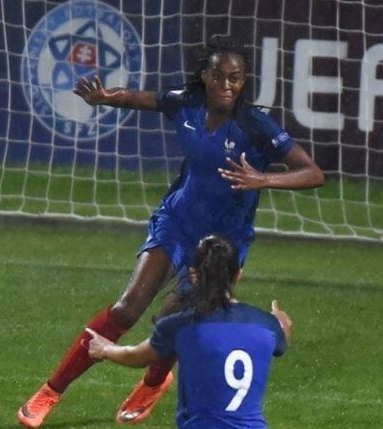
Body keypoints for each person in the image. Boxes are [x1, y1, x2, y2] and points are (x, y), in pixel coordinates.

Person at [17, 35, 323, 428]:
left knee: (172, 321)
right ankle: (51, 391)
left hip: (220, 244)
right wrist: (104, 97)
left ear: (244, 82)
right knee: (127, 308)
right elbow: (141, 99)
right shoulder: (186, 103)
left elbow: (313, 173)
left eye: (235, 78)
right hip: (176, 223)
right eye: (218, 76)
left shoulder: (255, 125)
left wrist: (262, 179)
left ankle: (154, 382)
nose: (227, 85)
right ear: (205, 76)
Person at [86, 235, 293, 428]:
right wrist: (280, 321)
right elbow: (282, 336)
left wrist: (105, 349)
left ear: (193, 275)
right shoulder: (268, 325)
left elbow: (136, 357)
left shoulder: (179, 326)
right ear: (238, 275)